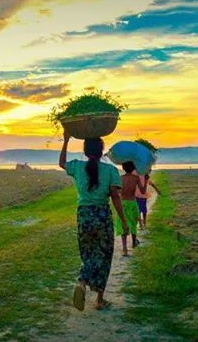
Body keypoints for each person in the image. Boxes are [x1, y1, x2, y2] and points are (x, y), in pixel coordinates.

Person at [59, 130, 128, 311]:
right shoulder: (111, 170)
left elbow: (61, 163)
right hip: (102, 215)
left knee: (87, 252)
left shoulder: (77, 166)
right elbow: (115, 197)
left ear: (85, 150)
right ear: (101, 150)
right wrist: (124, 220)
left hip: (84, 215)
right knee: (104, 255)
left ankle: (82, 281)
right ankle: (99, 299)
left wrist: (66, 141)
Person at [114, 162, 146, 255]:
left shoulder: (121, 178)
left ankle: (124, 249)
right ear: (133, 168)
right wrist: (146, 180)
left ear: (123, 168)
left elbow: (118, 191)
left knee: (123, 224)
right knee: (133, 222)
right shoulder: (135, 178)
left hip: (123, 203)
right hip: (132, 202)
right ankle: (134, 242)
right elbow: (143, 191)